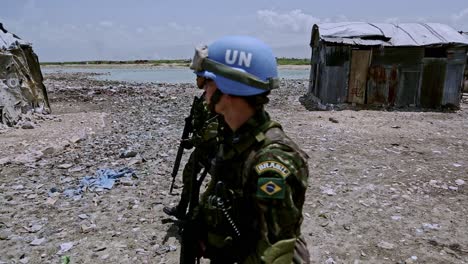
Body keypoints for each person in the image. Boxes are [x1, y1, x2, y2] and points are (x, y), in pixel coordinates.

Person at [189, 35, 310, 263]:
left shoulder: (274, 160)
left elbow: (275, 252)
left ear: (229, 85)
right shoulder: (234, 137)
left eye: (207, 81)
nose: (203, 88)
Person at [163, 74, 219, 219]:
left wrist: (192, 141)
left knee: (217, 183)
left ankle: (195, 214)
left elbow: (210, 130)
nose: (196, 80)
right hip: (204, 147)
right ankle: (183, 209)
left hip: (213, 149)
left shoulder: (212, 98)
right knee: (189, 175)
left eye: (198, 77)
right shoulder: (205, 96)